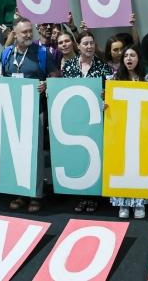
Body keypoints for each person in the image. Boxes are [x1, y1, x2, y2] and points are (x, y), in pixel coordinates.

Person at [0, 17, 59, 213]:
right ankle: (20, 192)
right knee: (16, 152)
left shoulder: (42, 52)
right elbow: (2, 78)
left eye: (30, 31)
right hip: (13, 110)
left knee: (35, 154)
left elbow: (56, 78)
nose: (29, 34)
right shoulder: (7, 53)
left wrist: (46, 84)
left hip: (36, 109)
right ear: (14, 34)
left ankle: (36, 194)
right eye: (24, 32)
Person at [106, 45, 148, 219]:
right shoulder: (114, 79)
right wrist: (106, 106)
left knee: (142, 163)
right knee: (121, 163)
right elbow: (111, 104)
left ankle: (140, 203)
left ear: (139, 58)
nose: (129, 58)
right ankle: (123, 203)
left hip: (143, 130)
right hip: (121, 130)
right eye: (126, 56)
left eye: (132, 55)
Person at [62, 32, 113, 213]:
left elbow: (111, 92)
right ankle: (81, 195)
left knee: (94, 155)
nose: (89, 47)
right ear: (78, 46)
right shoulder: (68, 66)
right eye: (85, 43)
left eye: (92, 43)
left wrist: (106, 95)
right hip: (75, 118)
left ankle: (94, 197)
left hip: (95, 119)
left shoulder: (104, 67)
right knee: (79, 156)